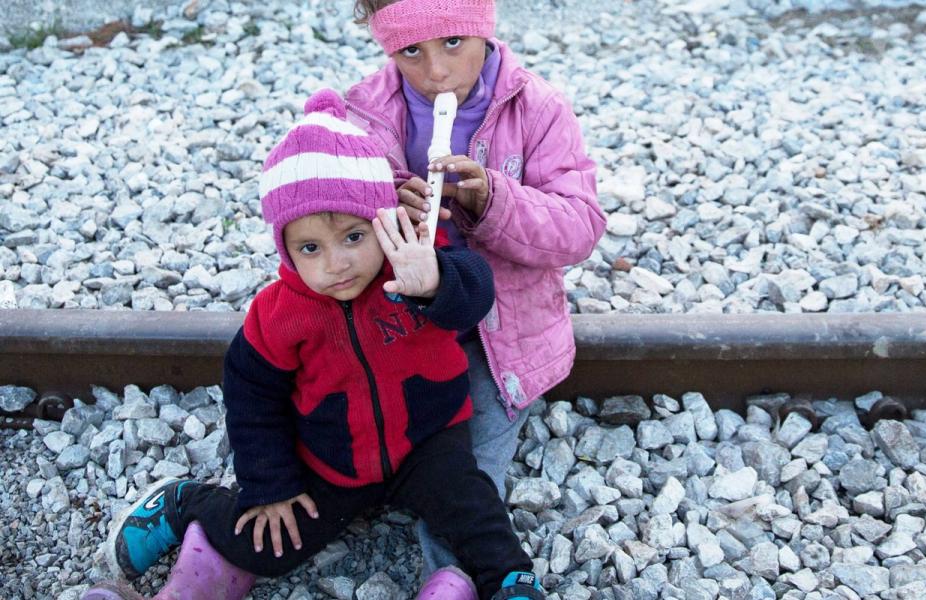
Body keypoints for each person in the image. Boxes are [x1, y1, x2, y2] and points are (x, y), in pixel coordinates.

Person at [81, 89, 544, 600]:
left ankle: (512, 582)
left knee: (473, 507)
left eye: (353, 237)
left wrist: (434, 280)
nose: (336, 263)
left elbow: (475, 295)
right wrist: (270, 485)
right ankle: (187, 504)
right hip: (330, 461)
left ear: (383, 220)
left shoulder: (412, 262)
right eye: (310, 248)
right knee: (269, 539)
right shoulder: (279, 313)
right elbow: (252, 397)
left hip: (428, 441)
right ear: (286, 247)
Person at [344, 0, 606, 594]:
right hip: (399, 324)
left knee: (468, 459)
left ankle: (454, 575)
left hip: (498, 336)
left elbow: (580, 227)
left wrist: (493, 200)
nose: (436, 71)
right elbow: (329, 228)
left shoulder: (535, 108)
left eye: (454, 43)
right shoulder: (364, 111)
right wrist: (386, 209)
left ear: (484, 28)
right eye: (411, 51)